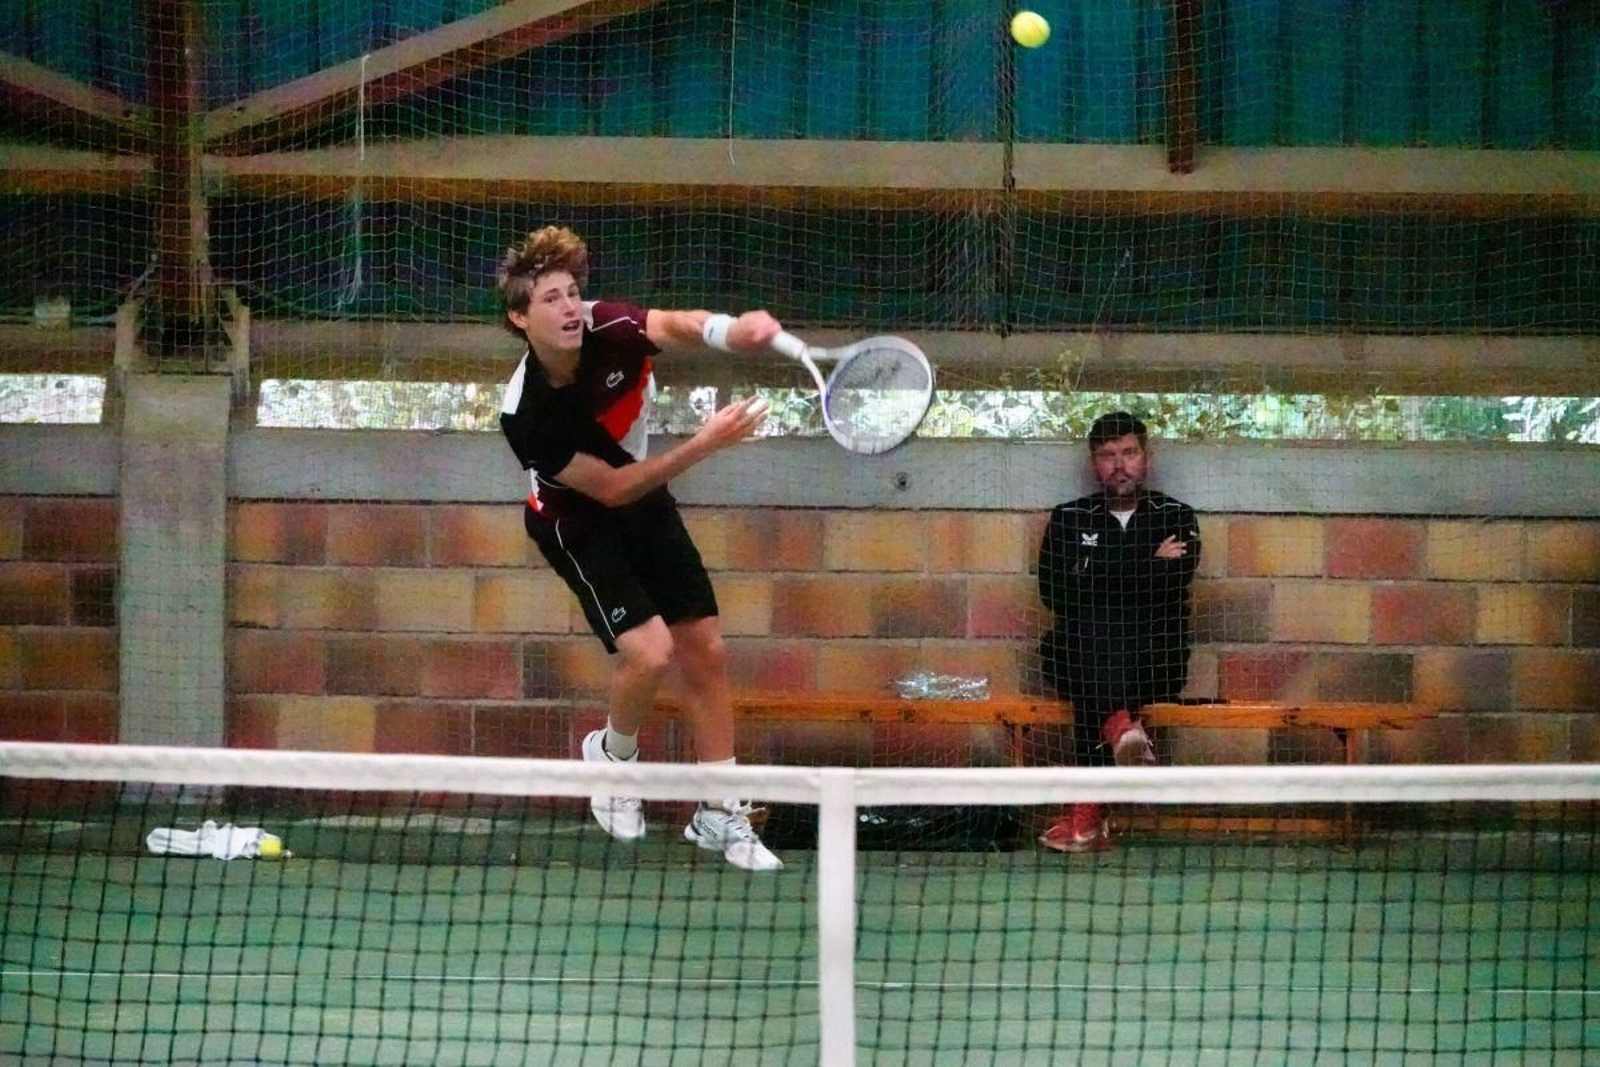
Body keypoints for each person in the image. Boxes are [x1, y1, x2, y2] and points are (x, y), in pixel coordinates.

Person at [496, 224, 782, 871]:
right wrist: (706, 443)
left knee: (705, 648)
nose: (571, 307)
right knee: (649, 653)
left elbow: (678, 323)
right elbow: (616, 488)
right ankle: (613, 756)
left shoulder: (611, 326)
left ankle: (720, 811)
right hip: (577, 520)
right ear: (520, 317)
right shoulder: (526, 414)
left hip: (642, 499)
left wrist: (729, 333)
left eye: (573, 292)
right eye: (550, 298)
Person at [1036, 411, 1200, 853]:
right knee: (1093, 637)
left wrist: (1094, 574)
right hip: (1076, 655)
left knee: (1101, 639)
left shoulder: (1176, 516)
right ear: (1094, 463)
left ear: (1146, 458)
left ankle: (1087, 811)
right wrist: (1149, 564)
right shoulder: (1069, 518)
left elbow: (1172, 585)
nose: (1119, 464)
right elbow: (1054, 592)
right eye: (1108, 455)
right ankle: (1122, 730)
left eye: (1129, 452)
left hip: (1154, 658)